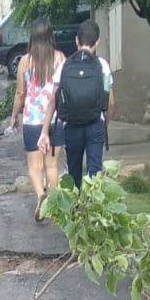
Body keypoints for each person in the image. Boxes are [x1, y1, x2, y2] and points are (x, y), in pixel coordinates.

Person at [40, 19, 113, 190]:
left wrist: (45, 130)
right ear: (97, 42)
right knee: (95, 172)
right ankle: (93, 211)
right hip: (95, 124)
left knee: (74, 174)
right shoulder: (102, 66)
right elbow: (111, 101)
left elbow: (53, 99)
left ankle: (74, 211)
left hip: (71, 126)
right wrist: (105, 123)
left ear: (76, 41)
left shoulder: (65, 65)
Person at [10, 18, 65, 221]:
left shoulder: (26, 61)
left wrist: (14, 115)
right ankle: (54, 205)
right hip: (55, 120)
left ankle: (41, 196)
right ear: (51, 36)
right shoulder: (60, 58)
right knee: (52, 165)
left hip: (33, 120)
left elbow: (19, 93)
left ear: (32, 37)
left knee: (35, 167)